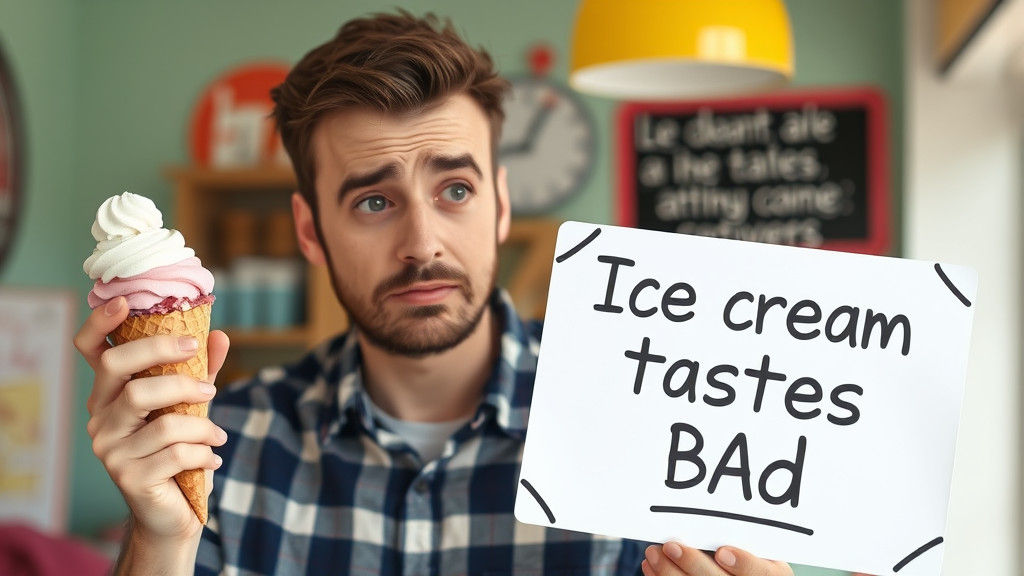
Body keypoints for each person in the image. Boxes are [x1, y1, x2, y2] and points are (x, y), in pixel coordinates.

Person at [75, 11, 805, 576]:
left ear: (501, 206)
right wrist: (158, 539)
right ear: (309, 229)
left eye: (455, 189)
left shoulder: (659, 431)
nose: (422, 242)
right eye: (372, 202)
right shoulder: (223, 447)